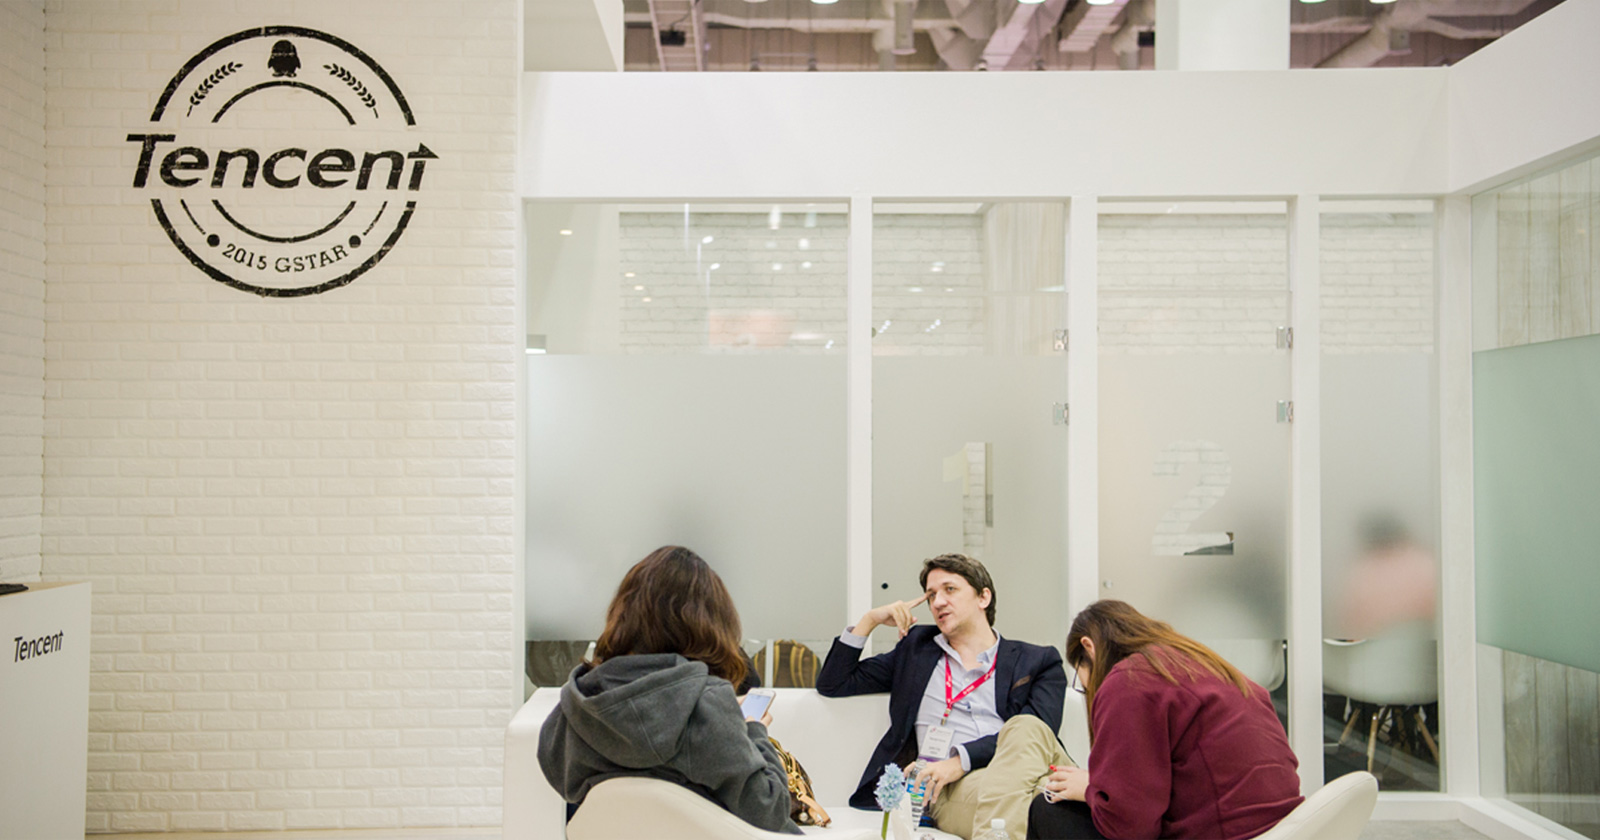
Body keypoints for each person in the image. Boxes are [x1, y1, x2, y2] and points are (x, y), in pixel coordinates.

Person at [537, 546, 801, 835]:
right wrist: (753, 730)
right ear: (707, 622)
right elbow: (770, 810)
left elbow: (563, 782)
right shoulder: (705, 706)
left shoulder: (576, 706)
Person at [817, 553, 1070, 839]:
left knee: (1026, 727)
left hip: (1031, 767)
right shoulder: (915, 651)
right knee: (1056, 806)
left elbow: (1039, 732)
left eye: (949, 589)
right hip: (957, 786)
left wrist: (959, 760)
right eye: (931, 595)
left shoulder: (1037, 660)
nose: (937, 602)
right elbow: (833, 683)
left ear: (983, 597)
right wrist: (870, 620)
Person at [1030, 600, 1302, 840]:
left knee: (1047, 809)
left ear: (1088, 647)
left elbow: (1129, 827)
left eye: (1084, 685)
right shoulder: (1205, 665)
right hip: (1286, 829)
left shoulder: (1129, 680)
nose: (1090, 693)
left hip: (1225, 832)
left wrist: (1091, 790)